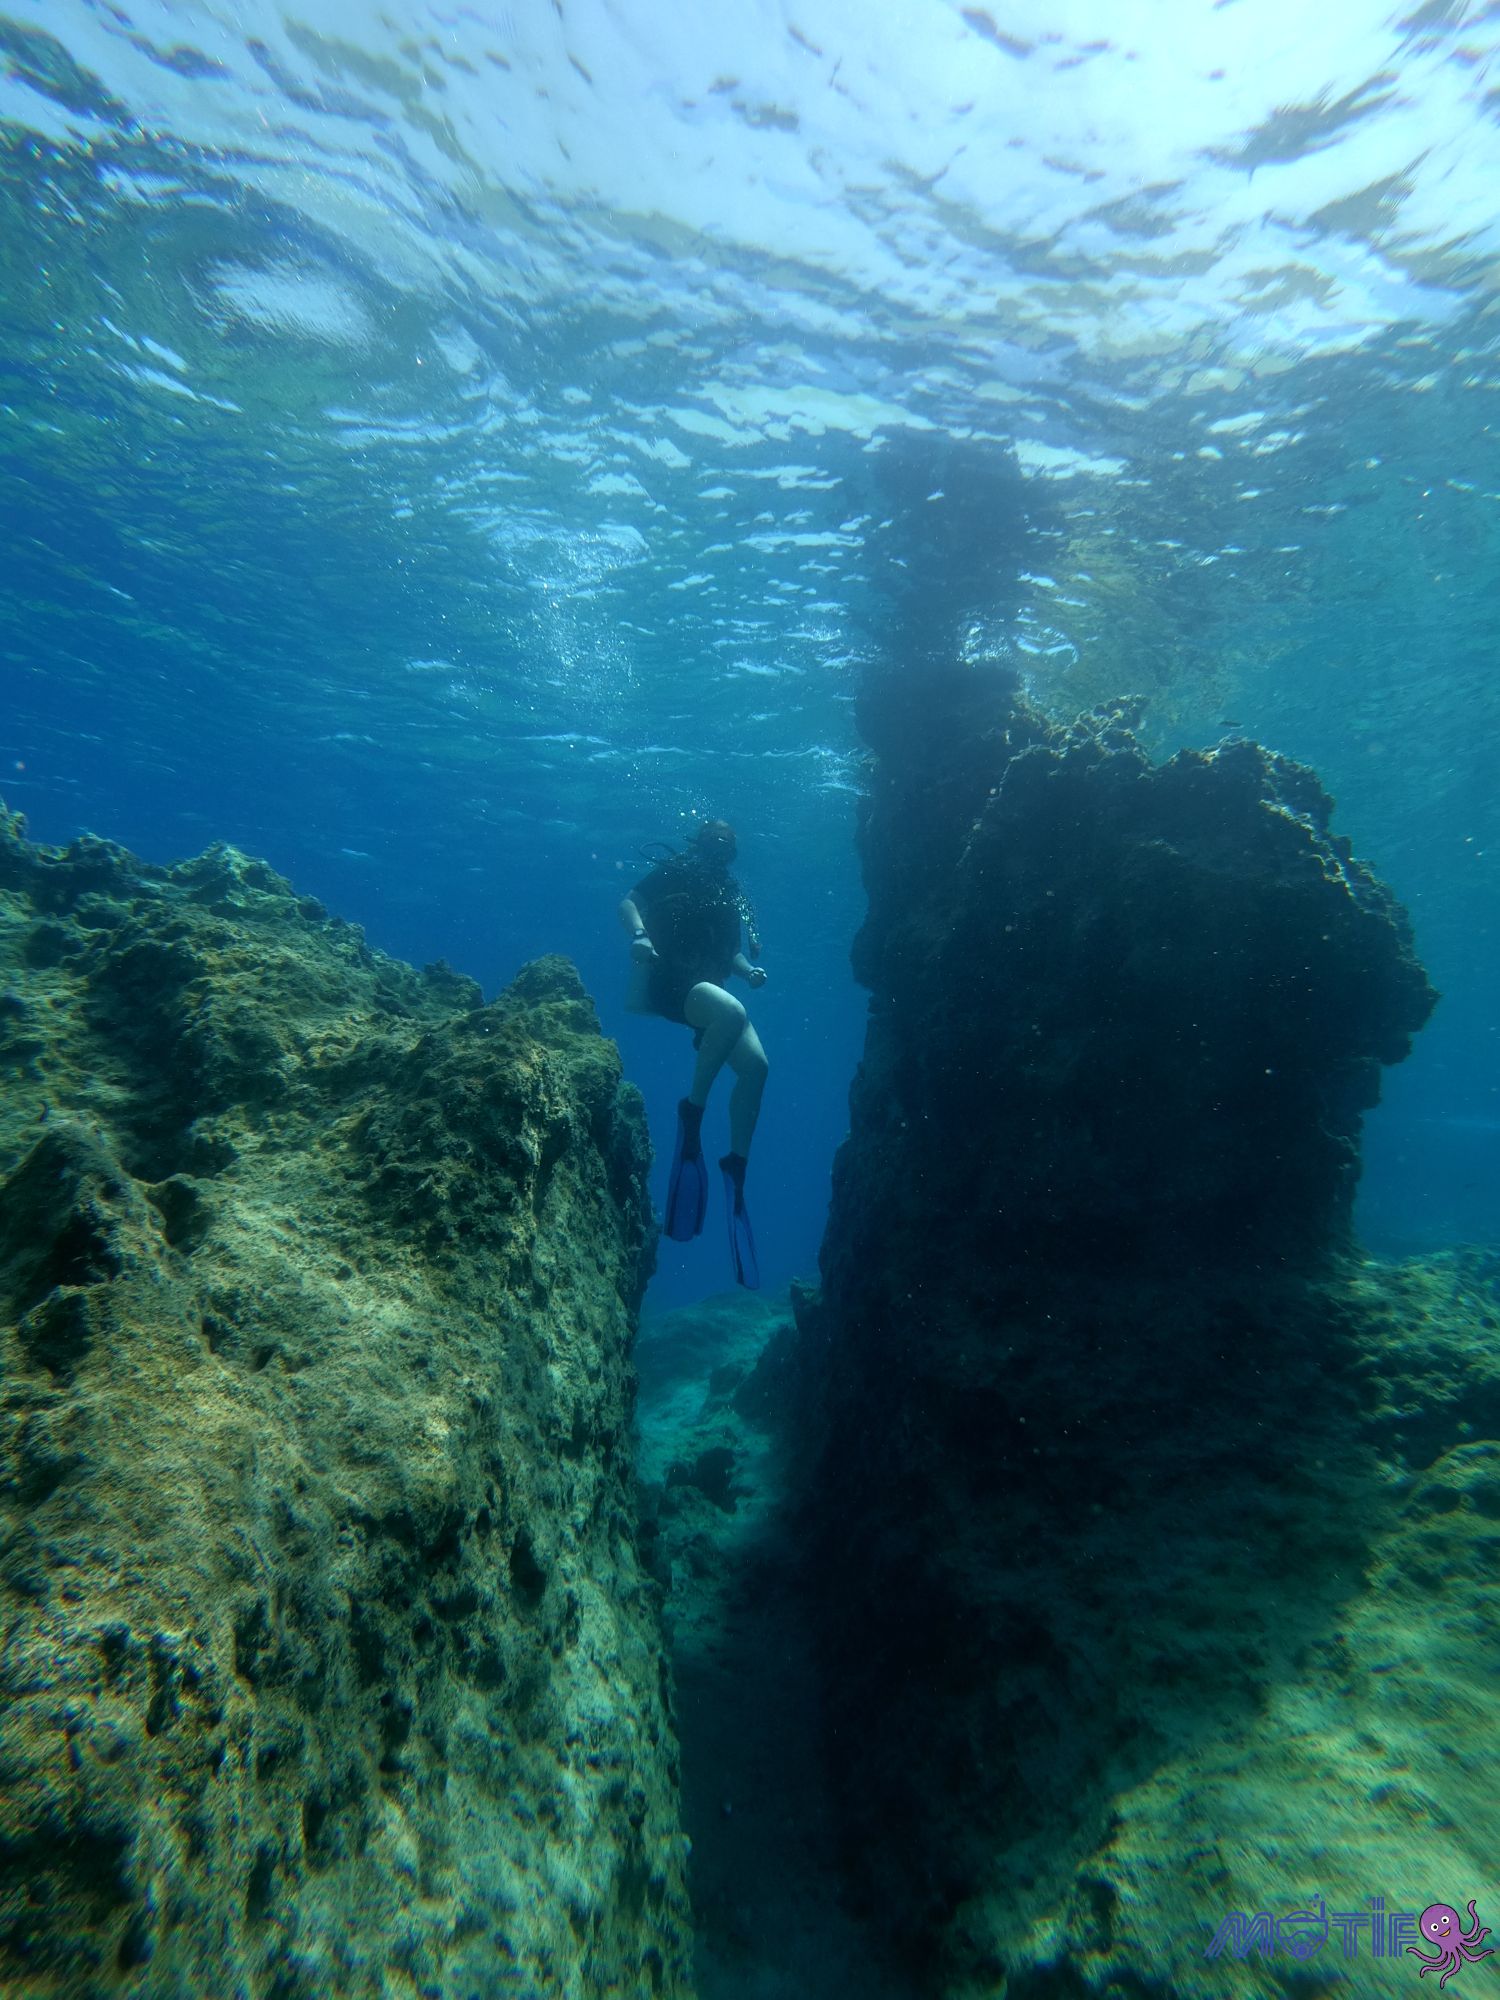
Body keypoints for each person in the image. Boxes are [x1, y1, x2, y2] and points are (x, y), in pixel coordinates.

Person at [619, 819, 768, 1287]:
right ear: (699, 843)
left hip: (710, 991)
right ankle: (693, 1112)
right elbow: (629, 901)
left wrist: (747, 971)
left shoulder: (730, 894)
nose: (719, 852)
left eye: (727, 847)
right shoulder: (674, 871)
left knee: (757, 1067)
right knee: (731, 1012)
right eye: (713, 843)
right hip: (670, 982)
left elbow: (730, 955)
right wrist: (639, 935)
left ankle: (736, 1165)